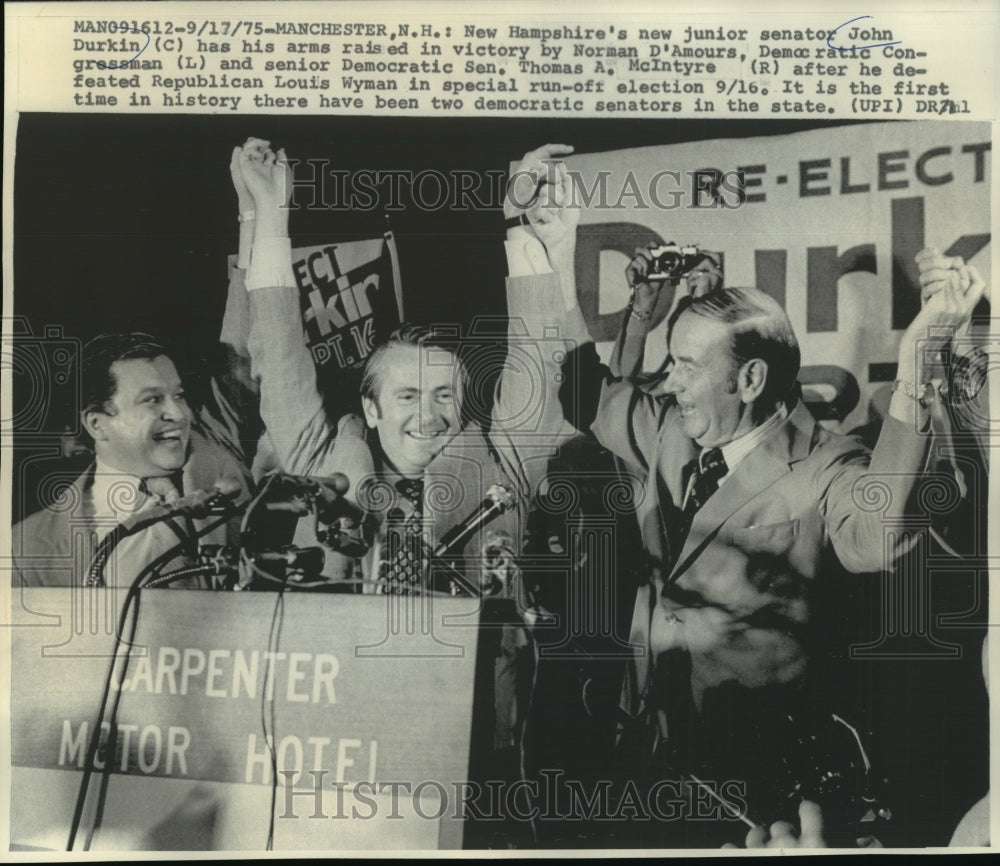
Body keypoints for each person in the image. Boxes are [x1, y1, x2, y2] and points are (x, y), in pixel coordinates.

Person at [570, 263, 985, 842]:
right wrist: (566, 264)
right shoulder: (674, 434)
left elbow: (879, 537)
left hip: (765, 806)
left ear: (749, 379)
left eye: (687, 366)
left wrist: (916, 365)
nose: (669, 383)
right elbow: (587, 396)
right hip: (655, 770)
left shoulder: (828, 463)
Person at [236, 138, 582, 595]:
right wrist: (270, 212)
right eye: (407, 396)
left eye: (444, 395)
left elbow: (537, 349)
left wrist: (519, 222)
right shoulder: (325, 466)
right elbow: (278, 350)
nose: (428, 416)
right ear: (371, 408)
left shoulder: (502, 463)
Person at [11, 333, 251, 588]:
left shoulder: (226, 471)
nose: (179, 414)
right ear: (97, 424)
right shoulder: (23, 550)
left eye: (179, 395)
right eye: (153, 400)